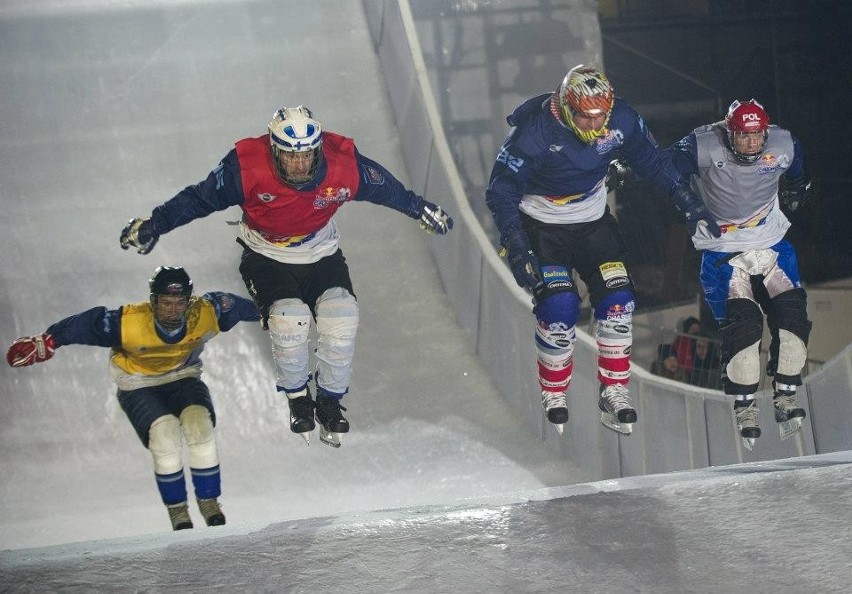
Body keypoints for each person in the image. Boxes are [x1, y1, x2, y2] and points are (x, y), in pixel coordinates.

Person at [119, 106, 453, 448]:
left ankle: (329, 400)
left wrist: (418, 208)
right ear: (272, 150)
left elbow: (385, 189)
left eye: (307, 155)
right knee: (288, 317)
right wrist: (155, 224)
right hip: (266, 257)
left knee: (342, 315)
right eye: (289, 156)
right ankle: (297, 399)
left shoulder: (343, 165)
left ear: (319, 150)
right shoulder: (244, 168)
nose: (299, 165)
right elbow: (198, 199)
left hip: (321, 253)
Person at [484, 64, 720, 436]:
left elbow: (652, 159)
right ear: (564, 107)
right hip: (542, 225)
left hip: (593, 220)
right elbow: (500, 190)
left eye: (600, 116)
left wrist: (688, 202)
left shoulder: (621, 117)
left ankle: (614, 390)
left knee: (618, 299)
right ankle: (554, 390)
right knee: (559, 304)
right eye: (585, 115)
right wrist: (515, 243)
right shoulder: (533, 131)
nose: (594, 125)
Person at [5, 266, 261, 531]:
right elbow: (86, 324)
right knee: (164, 434)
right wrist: (48, 339)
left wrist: (278, 312)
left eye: (179, 303)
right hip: (138, 383)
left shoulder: (209, 310)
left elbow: (253, 308)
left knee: (200, 425)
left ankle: (209, 502)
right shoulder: (127, 322)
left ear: (189, 302)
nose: (173, 310)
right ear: (153, 302)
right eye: (166, 303)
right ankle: (178, 510)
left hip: (182, 376)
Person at [668, 98, 813, 448]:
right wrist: (686, 202)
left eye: (757, 136)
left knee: (792, 322)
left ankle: (786, 396)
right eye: (743, 136)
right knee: (745, 330)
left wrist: (798, 190)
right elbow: (663, 167)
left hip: (773, 245)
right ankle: (744, 405)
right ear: (729, 132)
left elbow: (798, 174)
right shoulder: (702, 144)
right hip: (723, 252)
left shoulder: (783, 143)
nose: (752, 143)